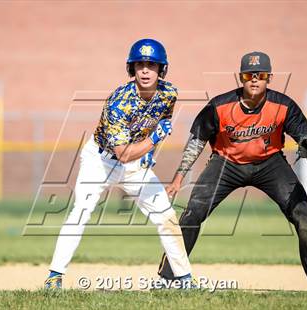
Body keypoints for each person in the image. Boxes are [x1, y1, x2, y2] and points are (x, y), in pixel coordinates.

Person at [157, 51, 307, 291]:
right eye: (248, 75)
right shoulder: (220, 106)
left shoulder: (283, 105)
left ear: (269, 78)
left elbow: (303, 135)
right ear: (241, 78)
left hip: (270, 164)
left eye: (261, 75)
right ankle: (169, 278)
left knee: (303, 214)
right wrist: (179, 177)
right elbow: (197, 141)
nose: (254, 79)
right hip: (226, 163)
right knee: (193, 213)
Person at [44, 38, 194, 289]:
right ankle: (55, 275)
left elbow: (159, 120)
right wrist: (154, 139)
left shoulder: (170, 93)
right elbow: (123, 154)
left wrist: (149, 147)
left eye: (152, 64)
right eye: (140, 64)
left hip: (135, 163)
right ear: (131, 69)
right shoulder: (119, 102)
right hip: (101, 161)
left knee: (166, 215)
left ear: (162, 69)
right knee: (81, 211)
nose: (145, 70)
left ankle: (184, 279)